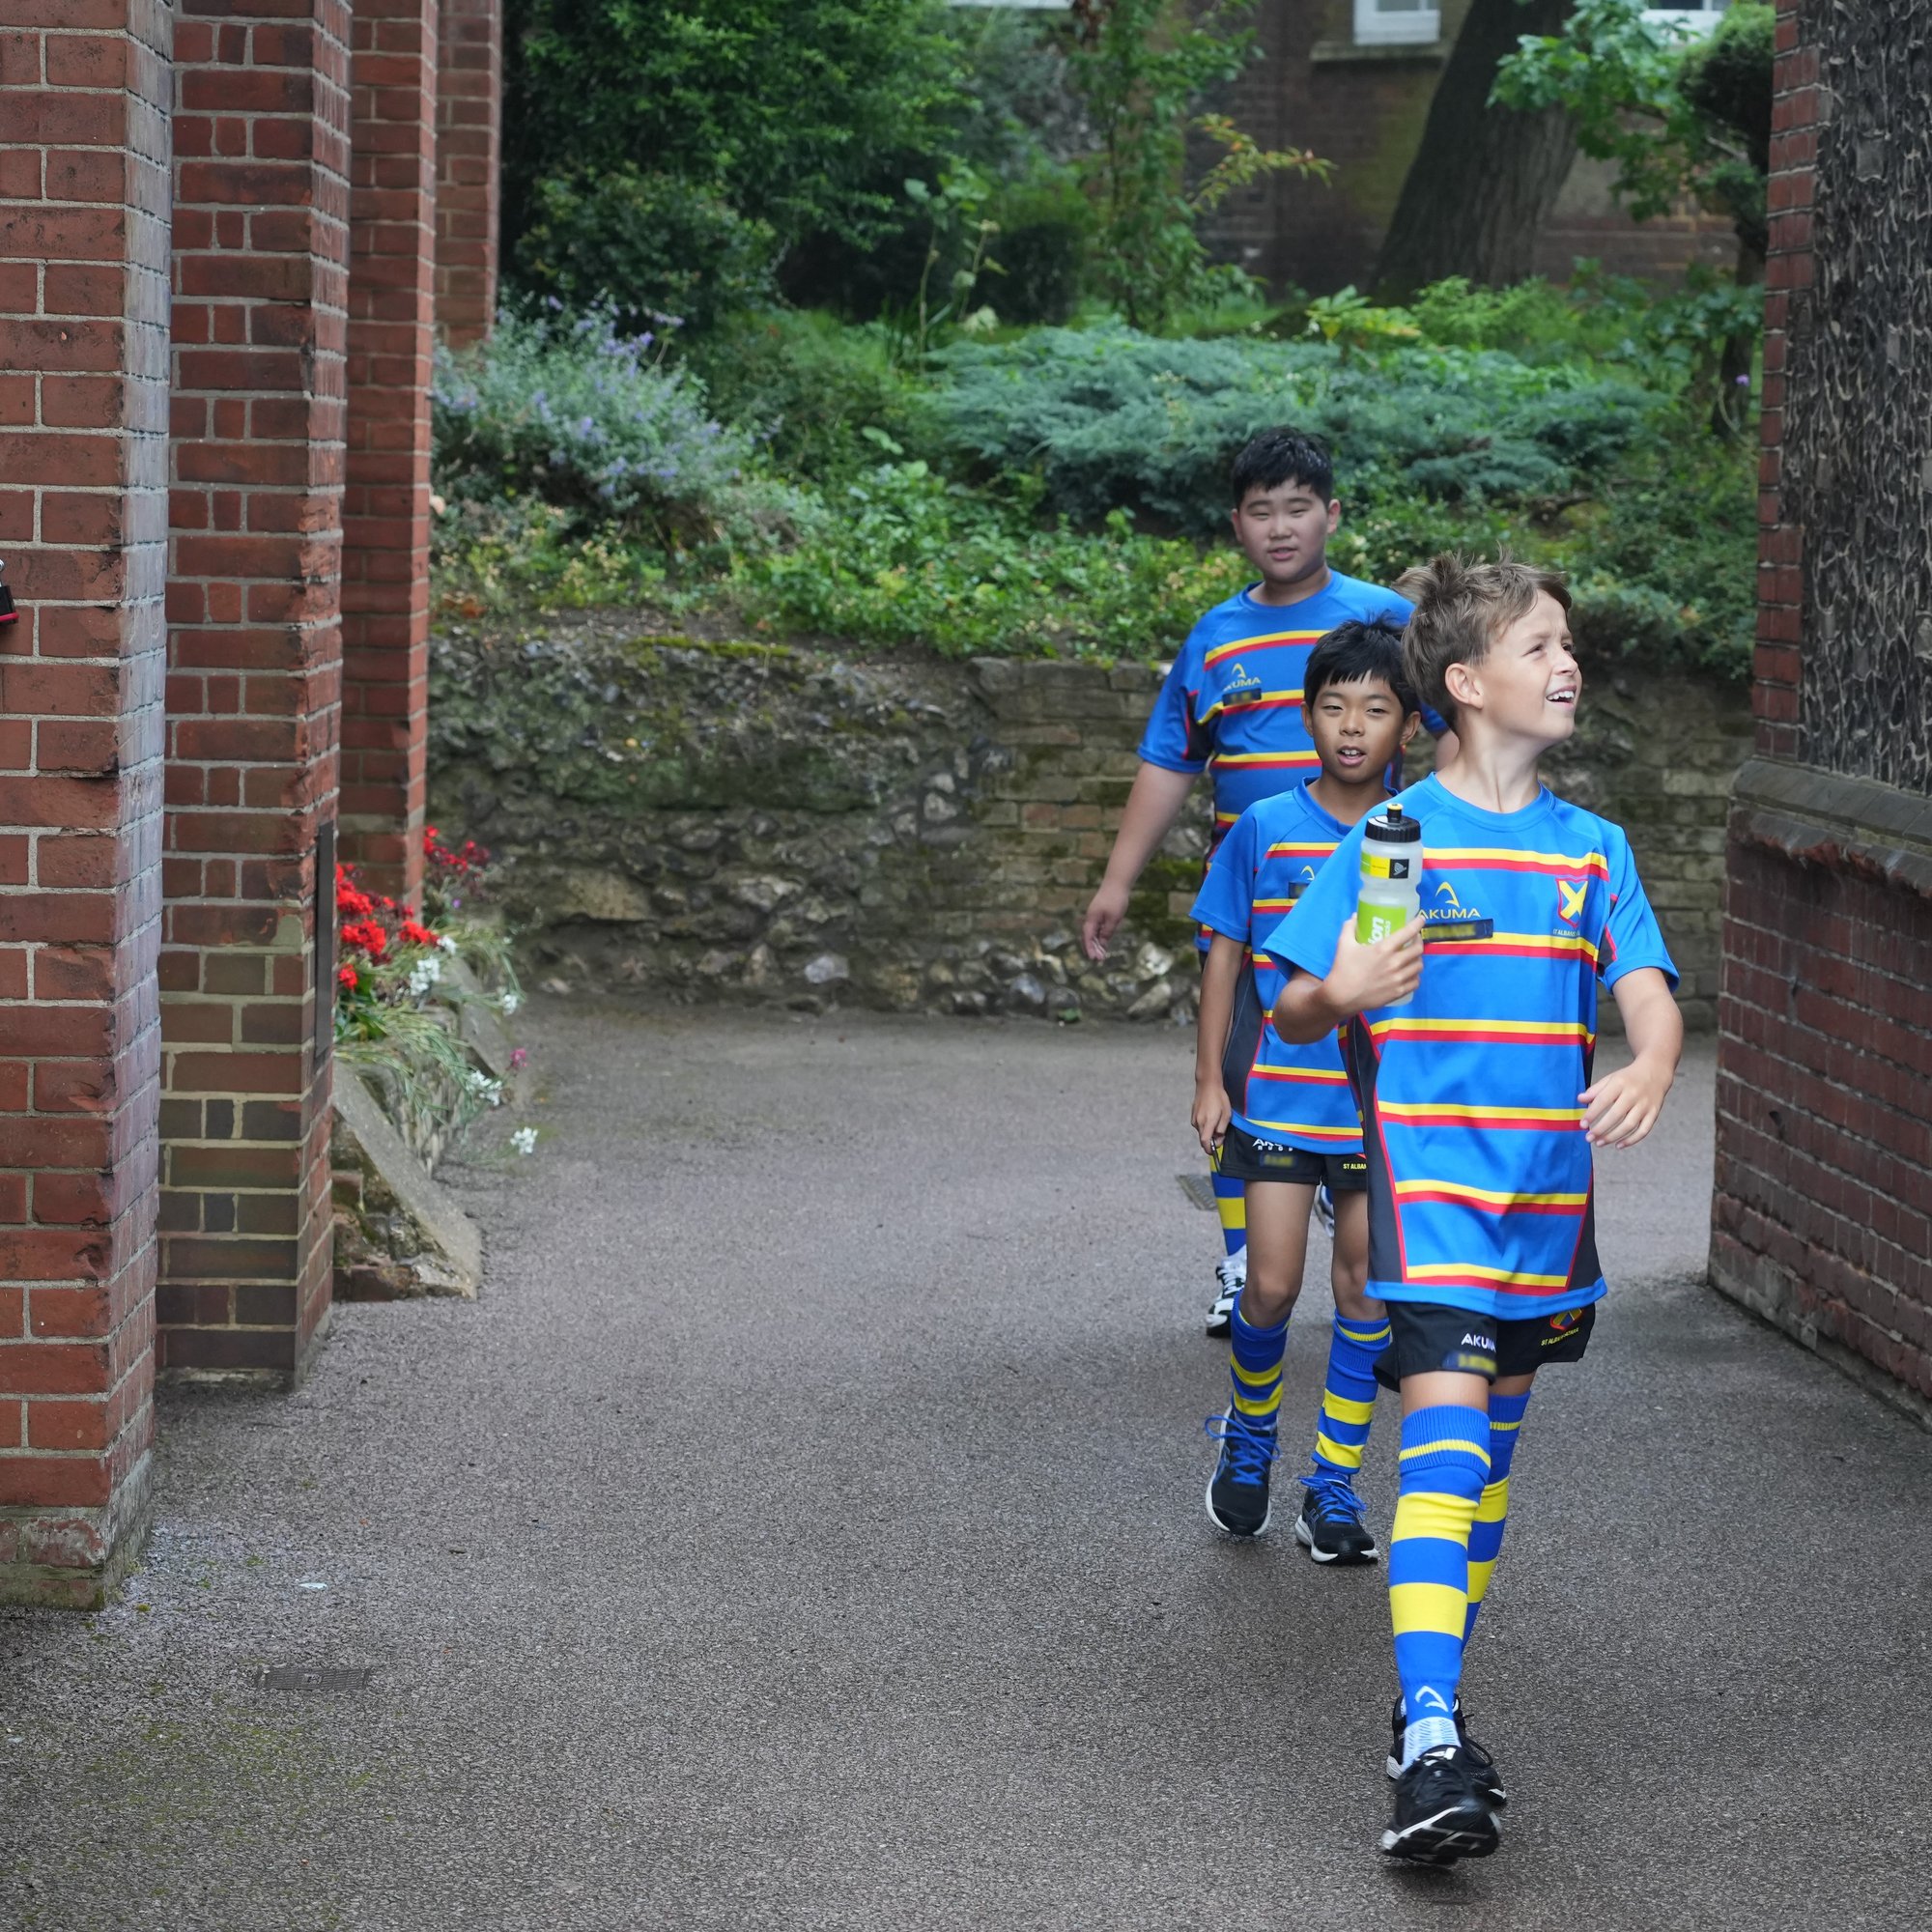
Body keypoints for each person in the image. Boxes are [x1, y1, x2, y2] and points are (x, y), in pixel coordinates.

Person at [1266, 554, 1683, 1866]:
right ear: (1463, 681)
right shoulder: (1397, 840)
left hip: (1547, 1213)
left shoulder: (1591, 850)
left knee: (1485, 1473)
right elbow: (1298, 1003)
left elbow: (1649, 990)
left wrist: (1652, 1062)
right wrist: (1340, 991)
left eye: (1568, 645)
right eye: (1539, 645)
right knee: (1442, 1455)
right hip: (1429, 1201)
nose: (1568, 665)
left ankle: (1423, 1703)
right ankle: (1433, 1739)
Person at [1081, 427, 1454, 1335]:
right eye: (1260, 511)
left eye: (1298, 508)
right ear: (1236, 526)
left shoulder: (1383, 623)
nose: (1280, 528)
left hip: (1370, 904)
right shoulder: (1215, 638)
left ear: (1333, 514)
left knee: (1373, 1064)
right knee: (1242, 1072)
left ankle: (1371, 1231)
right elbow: (1170, 760)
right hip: (1253, 903)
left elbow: (1452, 732)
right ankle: (1243, 1256)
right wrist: (1118, 881)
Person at [1190, 622, 1420, 1565]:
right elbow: (1223, 953)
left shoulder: (1421, 836)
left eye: (1375, 708)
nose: (1352, 727)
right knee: (1272, 1285)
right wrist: (1208, 1077)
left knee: (1362, 1290)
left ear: (1408, 725)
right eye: (1333, 707)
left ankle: (1331, 1484)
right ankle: (1248, 1439)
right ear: (1306, 716)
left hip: (1374, 1110)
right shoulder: (1263, 826)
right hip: (1278, 1100)